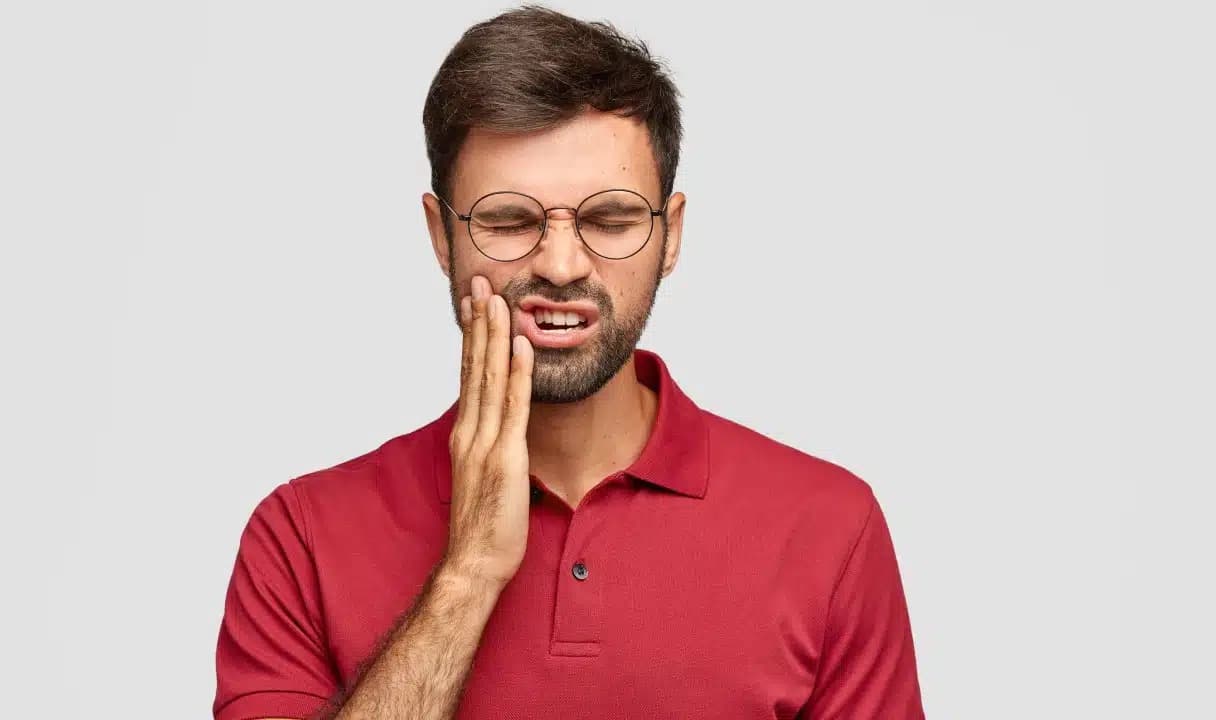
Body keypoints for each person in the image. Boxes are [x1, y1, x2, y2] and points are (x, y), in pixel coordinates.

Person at [212, 5, 924, 719]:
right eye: (509, 219)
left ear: (669, 235)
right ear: (441, 235)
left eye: (609, 220)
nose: (560, 264)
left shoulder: (829, 527)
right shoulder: (301, 534)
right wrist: (467, 577)